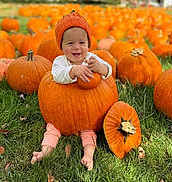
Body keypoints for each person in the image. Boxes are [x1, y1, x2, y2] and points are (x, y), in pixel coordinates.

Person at [31, 10, 112, 171]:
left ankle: (88, 155)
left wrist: (100, 67)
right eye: (70, 43)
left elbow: (109, 71)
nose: (76, 47)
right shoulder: (60, 62)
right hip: (60, 113)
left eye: (82, 43)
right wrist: (73, 71)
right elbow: (57, 76)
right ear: (61, 45)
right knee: (52, 129)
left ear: (88, 44)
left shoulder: (91, 58)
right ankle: (45, 151)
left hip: (88, 113)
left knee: (89, 132)